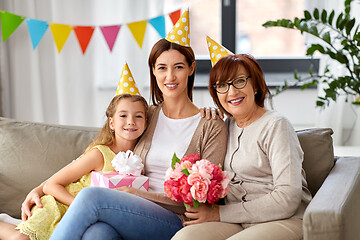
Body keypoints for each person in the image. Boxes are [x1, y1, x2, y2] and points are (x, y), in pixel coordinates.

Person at [21, 11, 227, 240]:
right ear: (153, 72)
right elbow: (98, 152)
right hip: (128, 209)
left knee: (92, 198)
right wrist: (38, 189)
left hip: (173, 219)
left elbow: (207, 194)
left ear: (191, 68)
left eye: (178, 67)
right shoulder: (144, 117)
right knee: (97, 234)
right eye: (162, 68)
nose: (170, 76)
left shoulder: (210, 125)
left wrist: (136, 194)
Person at [171, 53, 312, 240]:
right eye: (222, 85)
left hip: (284, 219)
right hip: (237, 223)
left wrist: (219, 214)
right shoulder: (223, 126)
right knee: (184, 238)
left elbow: (288, 197)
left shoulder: (277, 125)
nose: (231, 92)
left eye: (239, 81)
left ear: (255, 85)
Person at [0, 92, 148, 240]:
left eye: (138, 116)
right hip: (59, 206)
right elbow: (51, 185)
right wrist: (81, 207)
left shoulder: (142, 158)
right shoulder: (99, 154)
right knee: (21, 239)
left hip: (88, 217)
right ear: (111, 123)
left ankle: (15, 224)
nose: (131, 121)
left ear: (146, 122)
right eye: (123, 115)